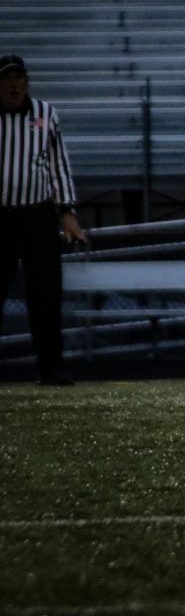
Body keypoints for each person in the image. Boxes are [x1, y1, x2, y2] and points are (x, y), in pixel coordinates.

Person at [0, 54, 87, 385]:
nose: (13, 85)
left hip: (36, 216)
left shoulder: (45, 114)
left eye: (18, 78)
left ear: (26, 81)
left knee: (46, 295)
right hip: (0, 218)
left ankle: (50, 368)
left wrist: (67, 212)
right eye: (6, 78)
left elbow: (58, 165)